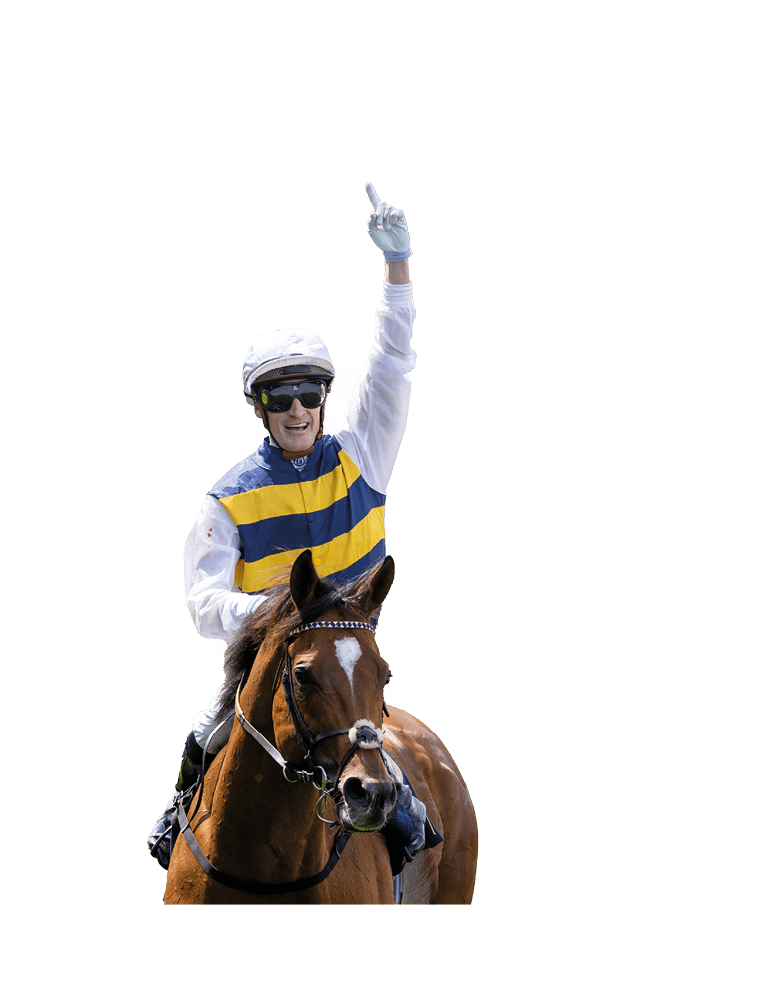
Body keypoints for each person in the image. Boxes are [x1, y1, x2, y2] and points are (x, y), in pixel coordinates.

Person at [148, 184, 419, 867]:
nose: (297, 409)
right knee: (205, 737)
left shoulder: (364, 456)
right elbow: (202, 603)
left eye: (309, 394)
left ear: (324, 397)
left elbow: (392, 365)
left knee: (401, 798)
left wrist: (398, 269)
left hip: (348, 665)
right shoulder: (226, 501)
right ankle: (174, 821)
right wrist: (274, 614)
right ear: (260, 408)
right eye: (280, 397)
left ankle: (415, 861)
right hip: (268, 665)